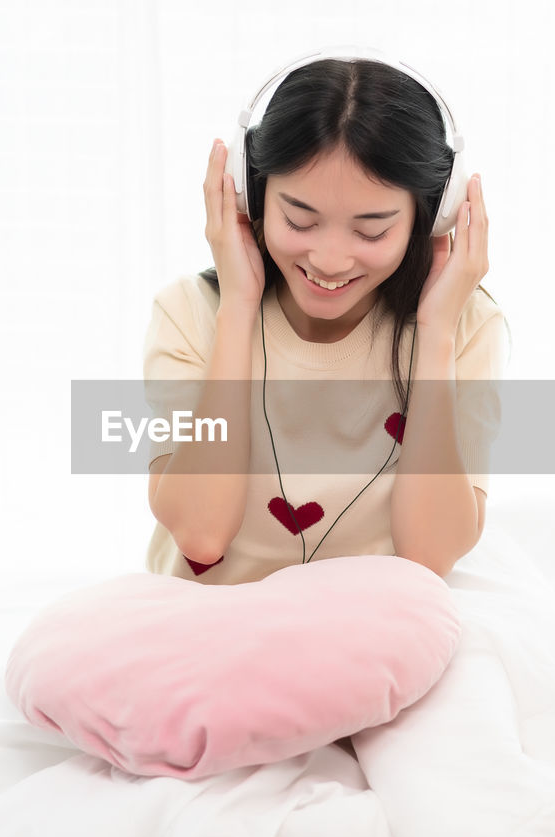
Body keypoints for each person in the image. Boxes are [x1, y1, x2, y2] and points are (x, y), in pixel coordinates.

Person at [143, 52, 509, 586]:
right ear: (251, 192)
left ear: (431, 219)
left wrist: (435, 337)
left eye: (371, 231)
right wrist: (239, 309)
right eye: (299, 220)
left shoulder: (467, 325)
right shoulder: (189, 313)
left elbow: (428, 558)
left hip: (371, 635)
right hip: (210, 630)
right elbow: (201, 537)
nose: (330, 261)